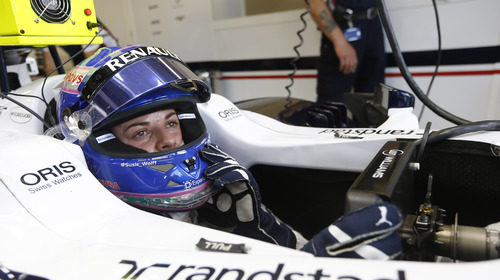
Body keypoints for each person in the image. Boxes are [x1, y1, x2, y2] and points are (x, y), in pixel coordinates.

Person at [55, 45, 401, 259]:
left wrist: (260, 230)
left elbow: (296, 251)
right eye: (142, 131)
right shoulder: (102, 240)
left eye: (172, 122)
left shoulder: (223, 191)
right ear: (102, 143)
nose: (169, 141)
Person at [309, 0, 386, 103]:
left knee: (373, 104)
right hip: (342, 26)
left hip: (373, 23)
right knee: (332, 105)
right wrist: (339, 41)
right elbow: (314, 2)